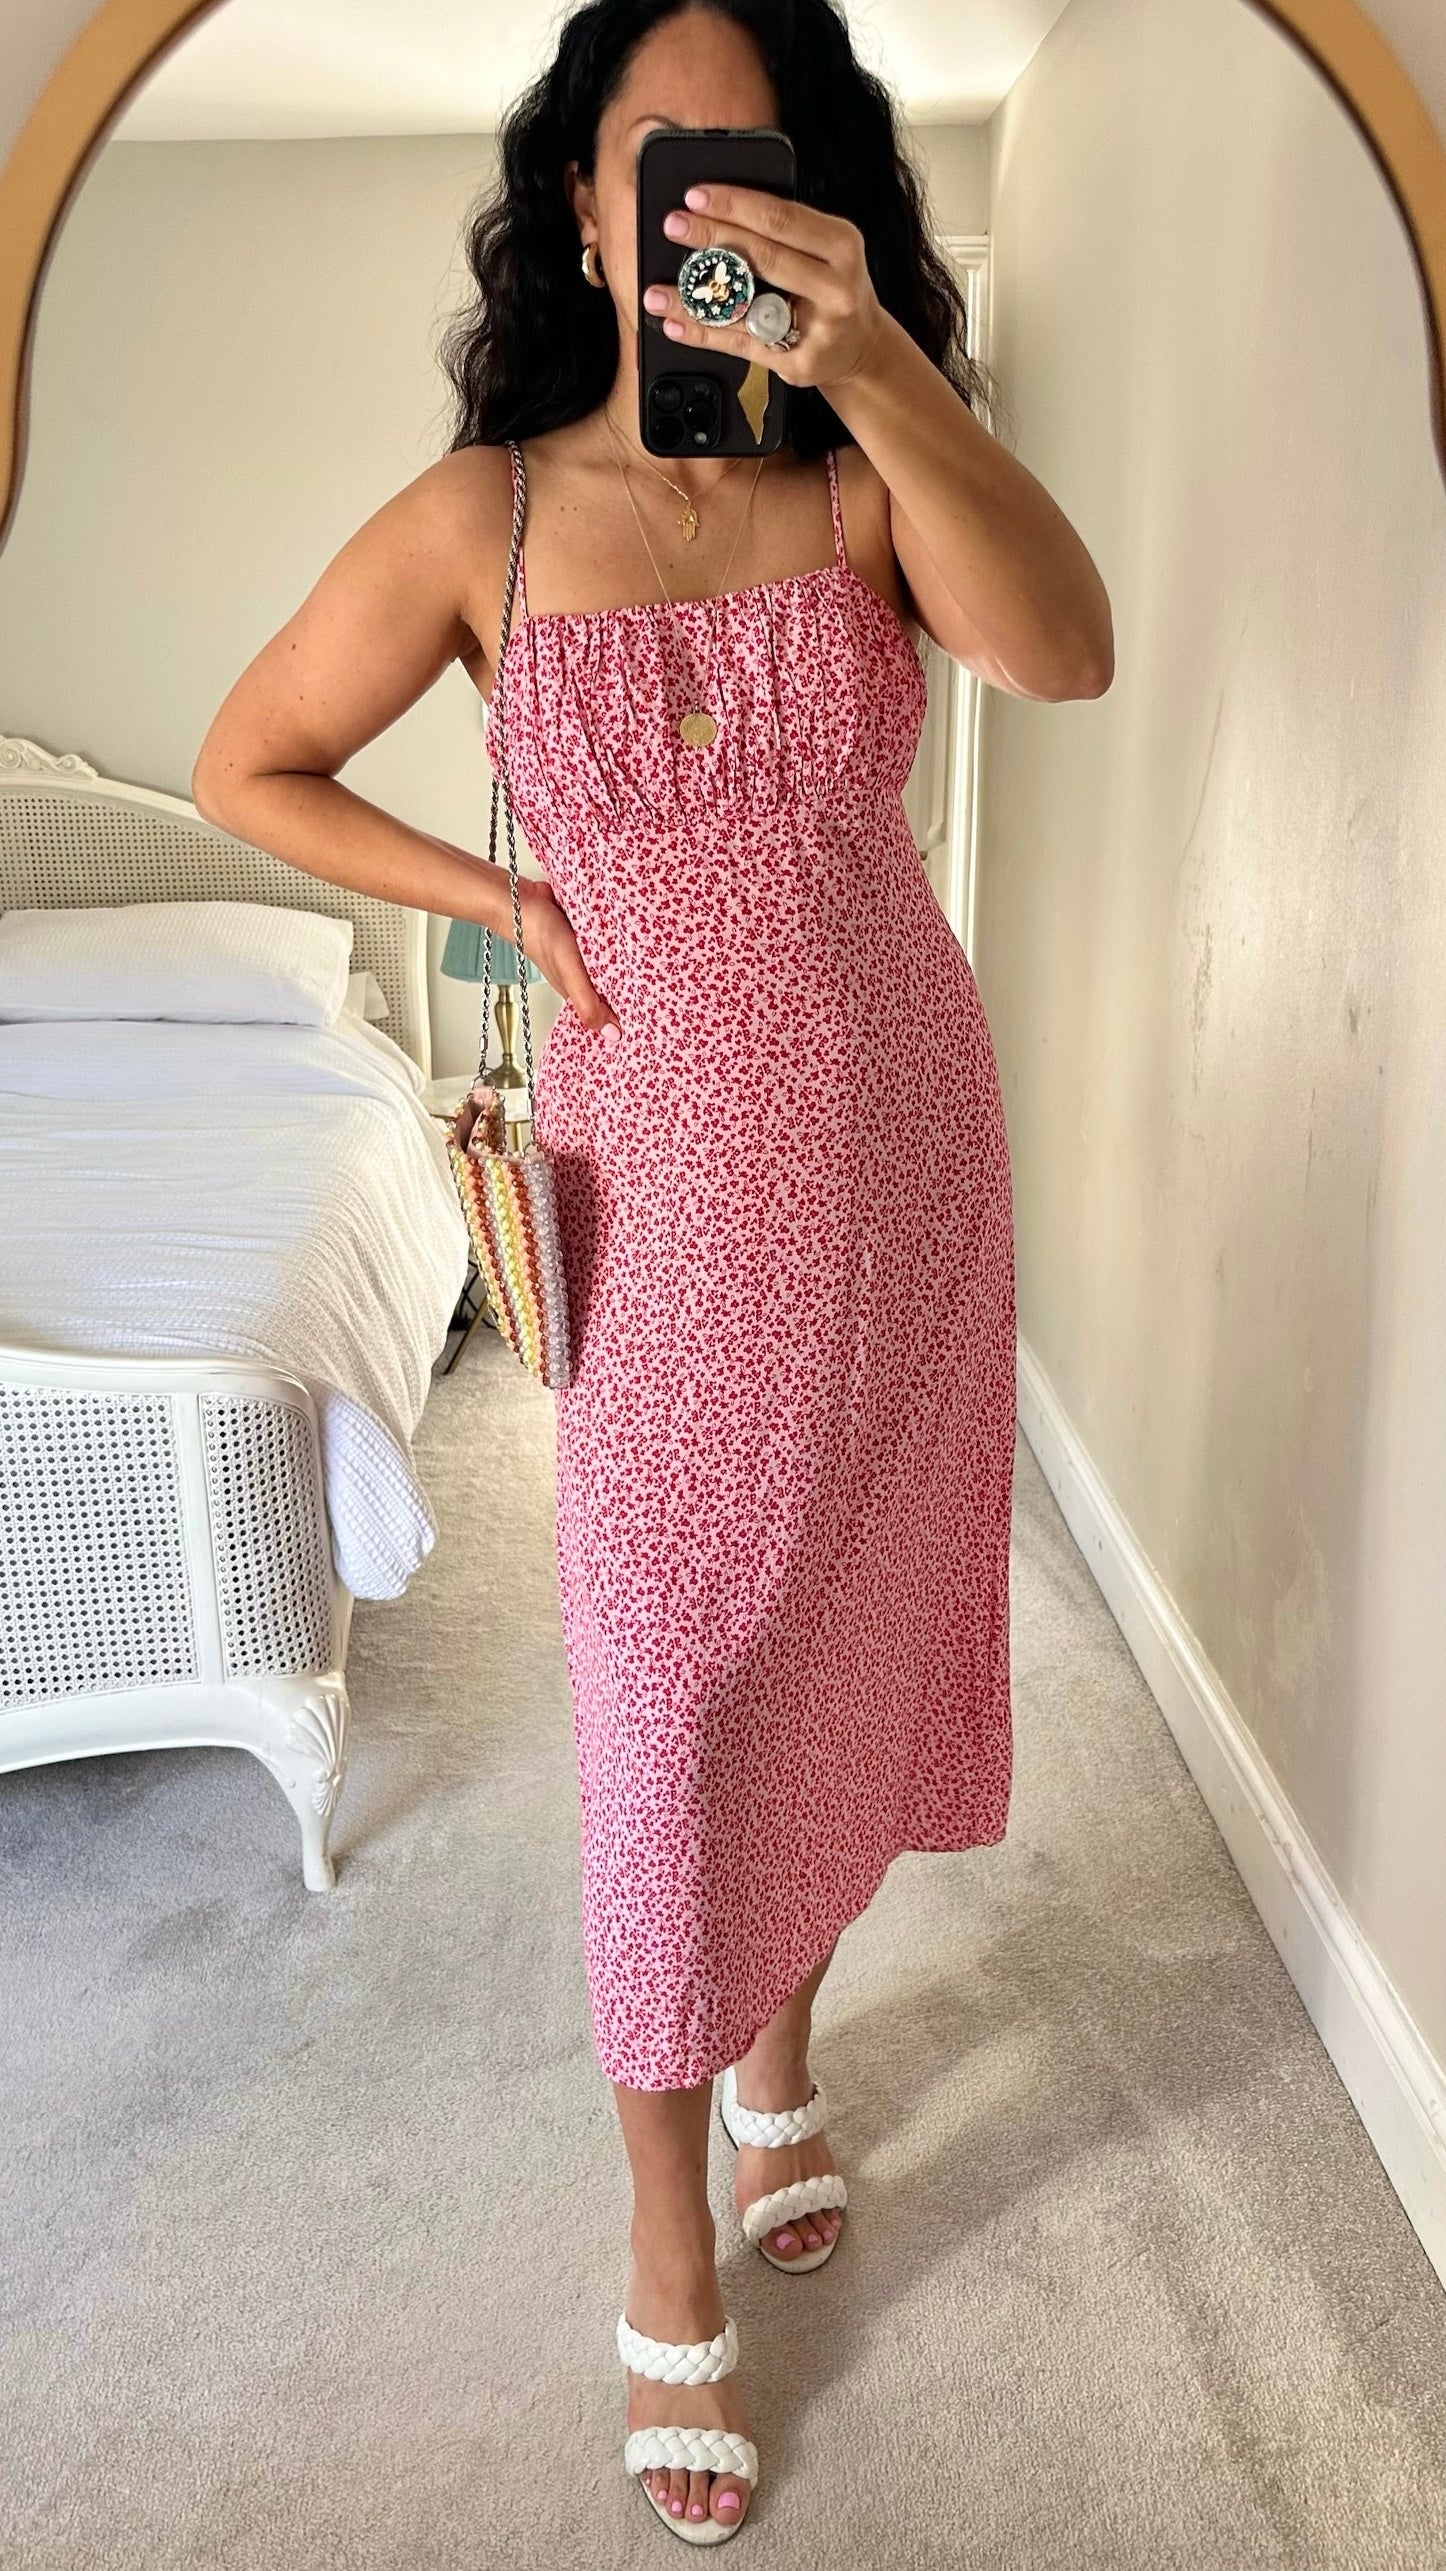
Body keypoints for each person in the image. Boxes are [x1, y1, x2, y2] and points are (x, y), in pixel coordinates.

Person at [192, 0, 1113, 2540]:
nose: (696, 207)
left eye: (749, 161)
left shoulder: (868, 476)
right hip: (664, 1205)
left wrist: (880, 362)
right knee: (669, 1696)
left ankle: (790, 2054)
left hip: (905, 1174)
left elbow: (1065, 646)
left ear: (804, 196)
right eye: (655, 158)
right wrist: (494, 895)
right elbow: (248, 760)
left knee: (828, 1637)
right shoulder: (476, 517)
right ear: (585, 207)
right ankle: (663, 2226)